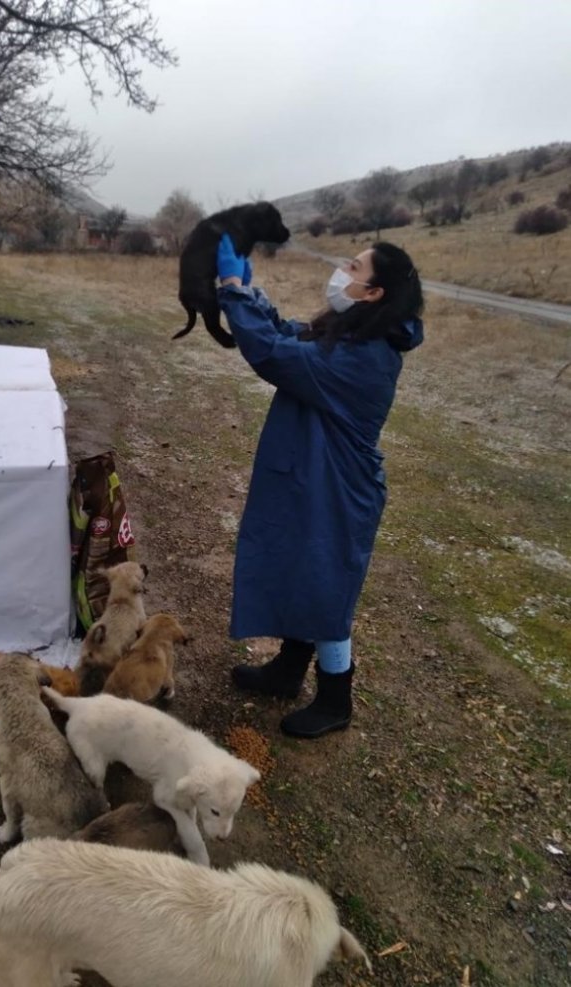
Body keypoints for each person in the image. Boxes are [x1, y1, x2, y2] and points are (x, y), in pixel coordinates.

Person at [216, 234, 424, 739]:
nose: (341, 271)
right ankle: (288, 671)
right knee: (301, 571)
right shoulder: (352, 332)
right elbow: (291, 334)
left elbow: (273, 354)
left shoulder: (366, 357)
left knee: (327, 589)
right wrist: (252, 291)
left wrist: (230, 290)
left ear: (373, 292)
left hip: (339, 489)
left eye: (353, 267)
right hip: (317, 477)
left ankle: (336, 699)